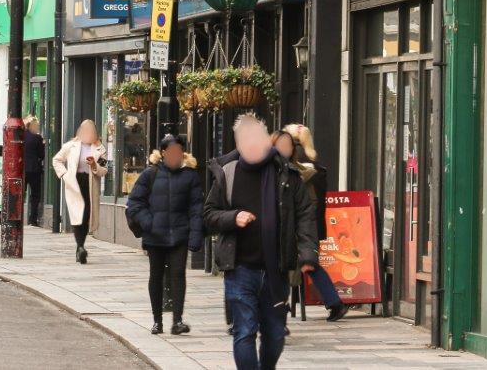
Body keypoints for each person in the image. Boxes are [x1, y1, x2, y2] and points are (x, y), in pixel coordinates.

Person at [205, 113, 318, 370]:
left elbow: (305, 216)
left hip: (276, 268)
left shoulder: (287, 174)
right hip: (240, 268)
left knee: (275, 333)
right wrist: (233, 217)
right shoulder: (227, 173)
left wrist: (308, 254)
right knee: (244, 330)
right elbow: (209, 214)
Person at [126, 133, 204, 335]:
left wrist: (196, 235)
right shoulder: (149, 174)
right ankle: (157, 320)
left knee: (178, 275)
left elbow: (197, 209)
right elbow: (134, 203)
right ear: (162, 153)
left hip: (179, 234)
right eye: (171, 152)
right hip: (155, 236)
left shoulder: (190, 176)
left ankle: (177, 321)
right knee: (156, 276)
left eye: (179, 152)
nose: (175, 156)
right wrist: (148, 222)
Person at [279, 124, 348, 322]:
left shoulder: (291, 162)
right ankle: (334, 302)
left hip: (295, 223)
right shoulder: (316, 163)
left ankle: (280, 308)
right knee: (310, 264)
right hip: (312, 224)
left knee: (286, 265)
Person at [52, 119, 107, 264]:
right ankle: (80, 246)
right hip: (74, 183)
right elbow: (56, 160)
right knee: (78, 215)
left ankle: (80, 247)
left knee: (86, 215)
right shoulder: (70, 146)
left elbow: (103, 170)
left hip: (90, 184)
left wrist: (94, 165)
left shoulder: (100, 149)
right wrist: (64, 174)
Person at [23, 116, 45, 227]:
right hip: (34, 169)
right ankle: (33, 219)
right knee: (35, 195)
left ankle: (18, 218)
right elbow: (42, 154)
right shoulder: (37, 138)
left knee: (21, 194)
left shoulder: (20, 136)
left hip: (22, 169)